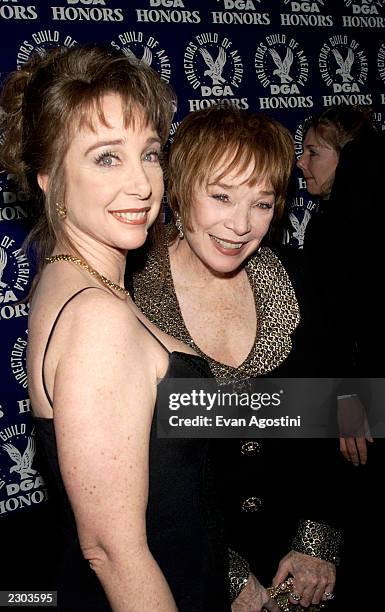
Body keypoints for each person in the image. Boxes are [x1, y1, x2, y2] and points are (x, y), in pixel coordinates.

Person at [0, 46, 233, 611]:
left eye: (150, 154)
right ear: (50, 178)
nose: (143, 184)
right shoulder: (98, 317)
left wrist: (361, 405)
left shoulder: (73, 280)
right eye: (107, 158)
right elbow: (110, 549)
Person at [131, 105, 342, 611]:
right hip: (184, 569)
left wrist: (317, 543)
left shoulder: (298, 278)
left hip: (297, 562)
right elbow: (135, 477)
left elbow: (334, 408)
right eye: (221, 196)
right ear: (180, 190)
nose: (241, 225)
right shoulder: (130, 300)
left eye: (262, 204)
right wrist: (225, 575)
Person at [297, 104, 385, 610]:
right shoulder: (353, 219)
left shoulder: (344, 225)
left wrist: (346, 401)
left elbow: (340, 333)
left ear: (351, 158)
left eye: (314, 152)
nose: (301, 164)